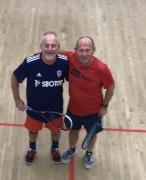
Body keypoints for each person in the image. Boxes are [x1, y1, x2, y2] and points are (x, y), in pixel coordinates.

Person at [11, 31, 68, 165]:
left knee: (56, 132)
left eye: (53, 45)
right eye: (46, 45)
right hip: (34, 109)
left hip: (55, 110)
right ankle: (32, 149)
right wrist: (17, 100)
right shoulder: (30, 63)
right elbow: (14, 77)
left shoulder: (64, 63)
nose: (49, 49)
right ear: (41, 46)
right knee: (33, 131)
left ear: (58, 47)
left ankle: (55, 148)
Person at [61, 36, 115, 169]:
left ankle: (89, 152)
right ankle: (72, 149)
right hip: (73, 108)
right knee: (73, 131)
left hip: (93, 111)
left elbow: (111, 87)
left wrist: (105, 106)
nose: (84, 54)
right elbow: (53, 51)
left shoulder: (101, 69)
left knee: (92, 134)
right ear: (75, 51)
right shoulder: (71, 58)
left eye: (87, 50)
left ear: (93, 50)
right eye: (81, 50)